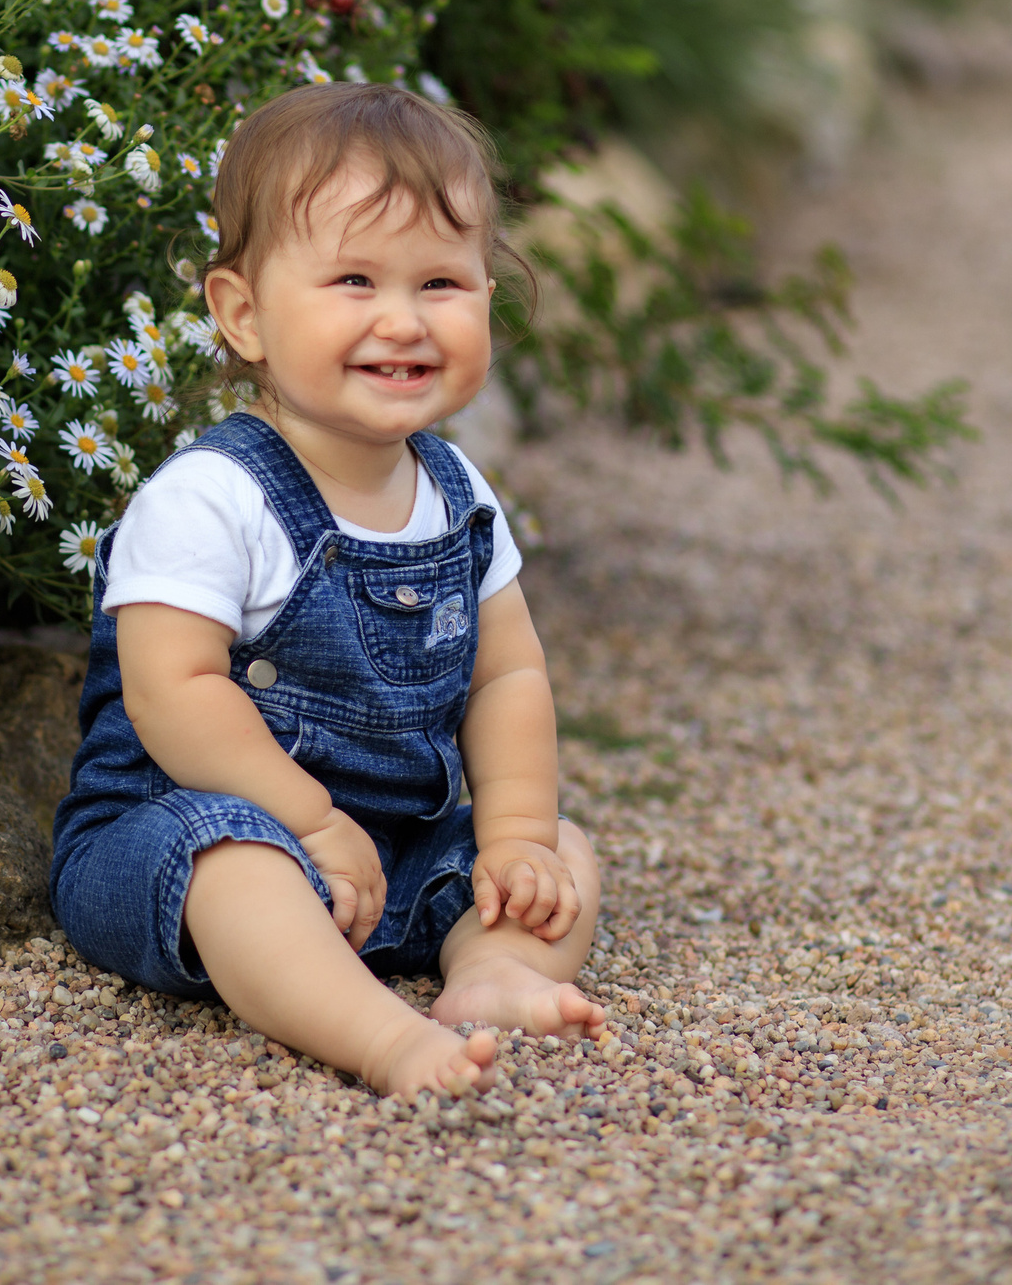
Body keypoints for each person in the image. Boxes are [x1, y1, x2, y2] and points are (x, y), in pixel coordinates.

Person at [50, 82, 608, 1098]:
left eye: (440, 283)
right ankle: (376, 1035)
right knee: (237, 871)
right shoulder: (212, 498)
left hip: (389, 848)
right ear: (245, 314)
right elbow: (172, 691)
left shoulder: (456, 494)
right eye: (353, 280)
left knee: (566, 854)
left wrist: (516, 836)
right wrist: (305, 823)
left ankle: (489, 973)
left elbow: (506, 673)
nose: (401, 320)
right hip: (189, 830)